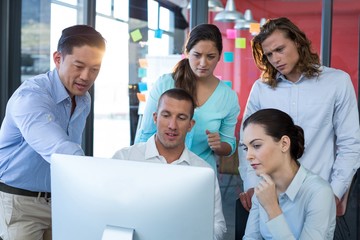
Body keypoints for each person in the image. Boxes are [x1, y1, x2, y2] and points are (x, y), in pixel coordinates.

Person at [238, 17, 360, 215]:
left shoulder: (337, 82)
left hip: (317, 195)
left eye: (280, 49)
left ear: (297, 41)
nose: (275, 59)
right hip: (270, 195)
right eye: (269, 54)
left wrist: (335, 192)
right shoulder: (261, 89)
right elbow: (246, 143)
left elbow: (351, 144)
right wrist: (252, 185)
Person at [0, 25, 106, 240]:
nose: (86, 77)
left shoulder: (84, 99)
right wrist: (102, 182)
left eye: (95, 69)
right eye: (79, 66)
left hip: (59, 202)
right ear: (58, 58)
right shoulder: (31, 97)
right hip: (21, 204)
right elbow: (60, 150)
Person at [113, 88, 227, 240]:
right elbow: (110, 215)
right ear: (155, 117)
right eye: (166, 115)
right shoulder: (125, 159)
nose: (172, 125)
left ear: (190, 125)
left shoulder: (202, 171)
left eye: (181, 118)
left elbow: (217, 225)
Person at [134, 23, 240, 171]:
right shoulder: (165, 84)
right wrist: (138, 170)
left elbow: (230, 145)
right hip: (160, 169)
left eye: (210, 57)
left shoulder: (228, 97)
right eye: (197, 55)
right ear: (187, 52)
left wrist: (219, 146)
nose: (203, 63)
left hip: (201, 174)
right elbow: (145, 134)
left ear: (219, 57)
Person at [242, 108, 336, 239]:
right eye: (246, 148)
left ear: (284, 144)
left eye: (256, 145)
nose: (248, 156)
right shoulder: (262, 187)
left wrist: (272, 208)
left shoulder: (319, 192)